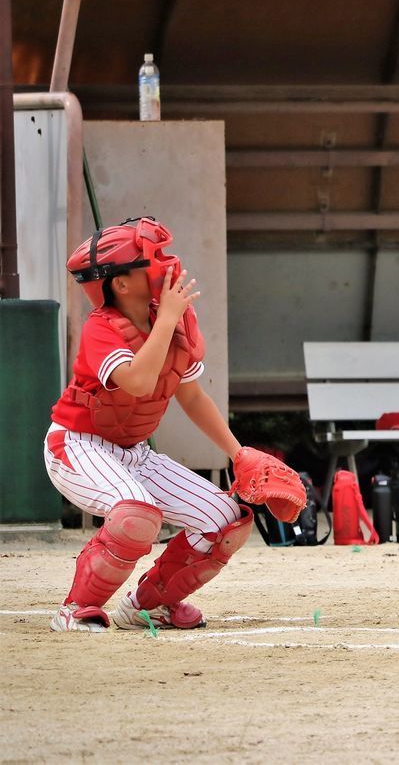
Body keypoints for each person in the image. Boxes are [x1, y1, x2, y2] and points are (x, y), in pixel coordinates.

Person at [44, 217, 253, 632]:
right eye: (150, 260)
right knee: (136, 516)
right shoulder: (100, 328)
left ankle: (148, 605)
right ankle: (74, 609)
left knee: (225, 520)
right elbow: (138, 382)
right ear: (120, 284)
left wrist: (238, 453)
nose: (164, 265)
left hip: (135, 453)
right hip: (78, 446)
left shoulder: (173, 321)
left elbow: (192, 397)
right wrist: (165, 320)